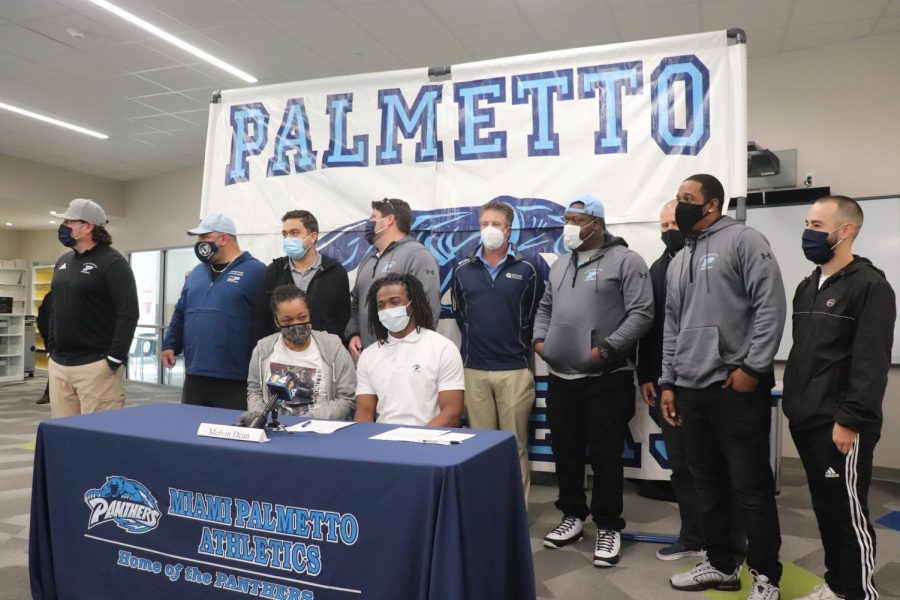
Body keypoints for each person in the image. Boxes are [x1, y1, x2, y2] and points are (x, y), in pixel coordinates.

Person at [660, 174, 786, 600]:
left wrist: (753, 367)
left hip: (736, 388)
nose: (680, 205)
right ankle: (721, 564)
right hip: (691, 390)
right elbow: (671, 327)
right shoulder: (679, 259)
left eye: (687, 198)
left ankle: (767, 576)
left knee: (751, 488)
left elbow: (771, 305)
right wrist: (668, 381)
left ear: (712, 205)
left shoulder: (745, 241)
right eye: (678, 198)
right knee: (707, 484)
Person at [532, 195, 653, 568]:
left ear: (596, 223)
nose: (568, 225)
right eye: (566, 218)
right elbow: (546, 307)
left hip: (606, 377)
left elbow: (642, 312)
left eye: (576, 219)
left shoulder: (626, 261)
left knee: (605, 454)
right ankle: (572, 515)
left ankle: (608, 525)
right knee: (565, 449)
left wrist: (607, 350)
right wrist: (540, 341)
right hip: (561, 375)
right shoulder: (561, 264)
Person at [784, 196, 895, 600]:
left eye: (817, 225)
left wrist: (849, 420)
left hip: (840, 426)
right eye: (807, 224)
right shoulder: (806, 286)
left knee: (848, 515)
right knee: (826, 510)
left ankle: (861, 593)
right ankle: (837, 585)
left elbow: (871, 363)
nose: (808, 232)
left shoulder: (870, 286)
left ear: (845, 230)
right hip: (807, 418)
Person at [637, 199, 747, 561]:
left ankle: (729, 542)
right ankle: (693, 536)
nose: (669, 229)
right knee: (682, 466)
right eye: (663, 224)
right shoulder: (658, 268)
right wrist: (649, 376)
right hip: (669, 385)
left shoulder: (718, 256)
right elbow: (654, 329)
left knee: (718, 467)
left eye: (674, 221)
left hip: (713, 383)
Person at [451, 200, 544, 498]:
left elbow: (534, 315)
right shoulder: (463, 269)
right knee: (481, 448)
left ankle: (516, 518)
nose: (489, 230)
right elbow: (461, 313)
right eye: (483, 224)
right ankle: (486, 514)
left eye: (495, 224)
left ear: (508, 229)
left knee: (514, 446)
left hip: (515, 371)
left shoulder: (528, 268)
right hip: (474, 371)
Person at [161, 213, 265, 410]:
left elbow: (266, 320)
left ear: (224, 239)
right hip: (195, 374)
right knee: (191, 430)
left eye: (204, 237)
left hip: (235, 377)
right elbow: (181, 311)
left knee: (229, 434)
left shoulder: (256, 272)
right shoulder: (196, 273)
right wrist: (170, 344)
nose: (199, 243)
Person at [47, 198, 139, 418]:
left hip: (96, 366)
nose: (63, 227)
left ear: (88, 227)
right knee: (64, 436)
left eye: (69, 221)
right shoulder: (62, 261)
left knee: (98, 437)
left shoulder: (113, 263)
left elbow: (128, 313)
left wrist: (114, 359)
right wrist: (51, 348)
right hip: (60, 365)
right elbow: (54, 308)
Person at [354, 273, 464, 427]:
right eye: (381, 305)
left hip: (430, 443)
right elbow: (364, 413)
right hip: (382, 443)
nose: (387, 309)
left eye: (395, 302)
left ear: (413, 304)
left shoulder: (442, 348)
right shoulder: (368, 355)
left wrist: (416, 441)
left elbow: (452, 412)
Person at [346, 198, 440, 360]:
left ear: (389, 220)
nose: (369, 222)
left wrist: (414, 354)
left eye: (373, 217)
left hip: (404, 359)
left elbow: (428, 309)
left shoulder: (417, 255)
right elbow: (356, 303)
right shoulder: (368, 258)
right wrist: (353, 333)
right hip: (369, 357)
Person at [247, 285, 356, 421]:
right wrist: (266, 419)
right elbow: (254, 392)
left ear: (309, 313)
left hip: (320, 431)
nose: (296, 324)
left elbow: (347, 399)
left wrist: (307, 420)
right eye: (287, 320)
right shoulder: (263, 349)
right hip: (275, 432)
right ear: (276, 320)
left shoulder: (333, 348)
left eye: (302, 317)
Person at [254, 210, 350, 342]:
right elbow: (263, 319)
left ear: (313, 236)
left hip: (323, 354)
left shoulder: (335, 272)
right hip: (282, 353)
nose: (288, 239)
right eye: (285, 234)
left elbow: (343, 319)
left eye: (294, 232)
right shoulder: (275, 270)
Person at [35, 290, 53, 405]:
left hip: (63, 336)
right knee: (54, 365)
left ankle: (49, 393)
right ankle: (48, 394)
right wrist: (45, 334)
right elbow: (41, 316)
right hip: (50, 337)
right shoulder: (50, 296)